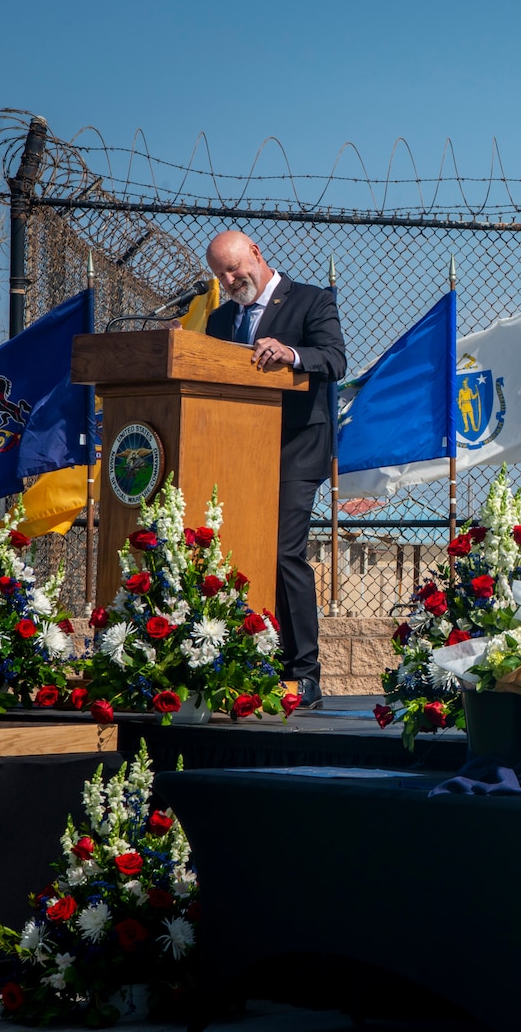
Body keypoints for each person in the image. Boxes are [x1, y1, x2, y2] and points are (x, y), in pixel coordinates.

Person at [204, 231, 347, 708]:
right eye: (221, 273)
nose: (229, 280)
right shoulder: (221, 319)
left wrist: (292, 354)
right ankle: (242, 662)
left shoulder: (310, 301)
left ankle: (303, 673)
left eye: (235, 268)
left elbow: (334, 359)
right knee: (236, 552)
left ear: (257, 255)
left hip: (295, 449)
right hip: (236, 451)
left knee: (284, 554)